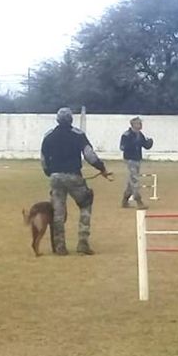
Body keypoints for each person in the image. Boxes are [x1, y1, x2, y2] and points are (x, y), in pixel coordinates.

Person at [41, 107, 112, 255]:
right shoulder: (78, 135)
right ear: (71, 119)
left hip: (55, 177)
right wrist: (102, 168)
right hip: (74, 176)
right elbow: (89, 155)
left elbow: (43, 158)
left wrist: (49, 172)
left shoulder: (49, 136)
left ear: (57, 119)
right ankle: (83, 243)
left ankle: (60, 247)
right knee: (85, 204)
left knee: (58, 213)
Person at [119, 117, 154, 209]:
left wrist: (149, 143)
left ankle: (125, 201)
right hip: (130, 159)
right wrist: (131, 145)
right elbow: (122, 147)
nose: (140, 125)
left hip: (137, 159)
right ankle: (139, 201)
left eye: (140, 123)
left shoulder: (140, 134)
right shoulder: (126, 135)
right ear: (133, 124)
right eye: (138, 123)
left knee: (131, 181)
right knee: (135, 180)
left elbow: (145, 145)